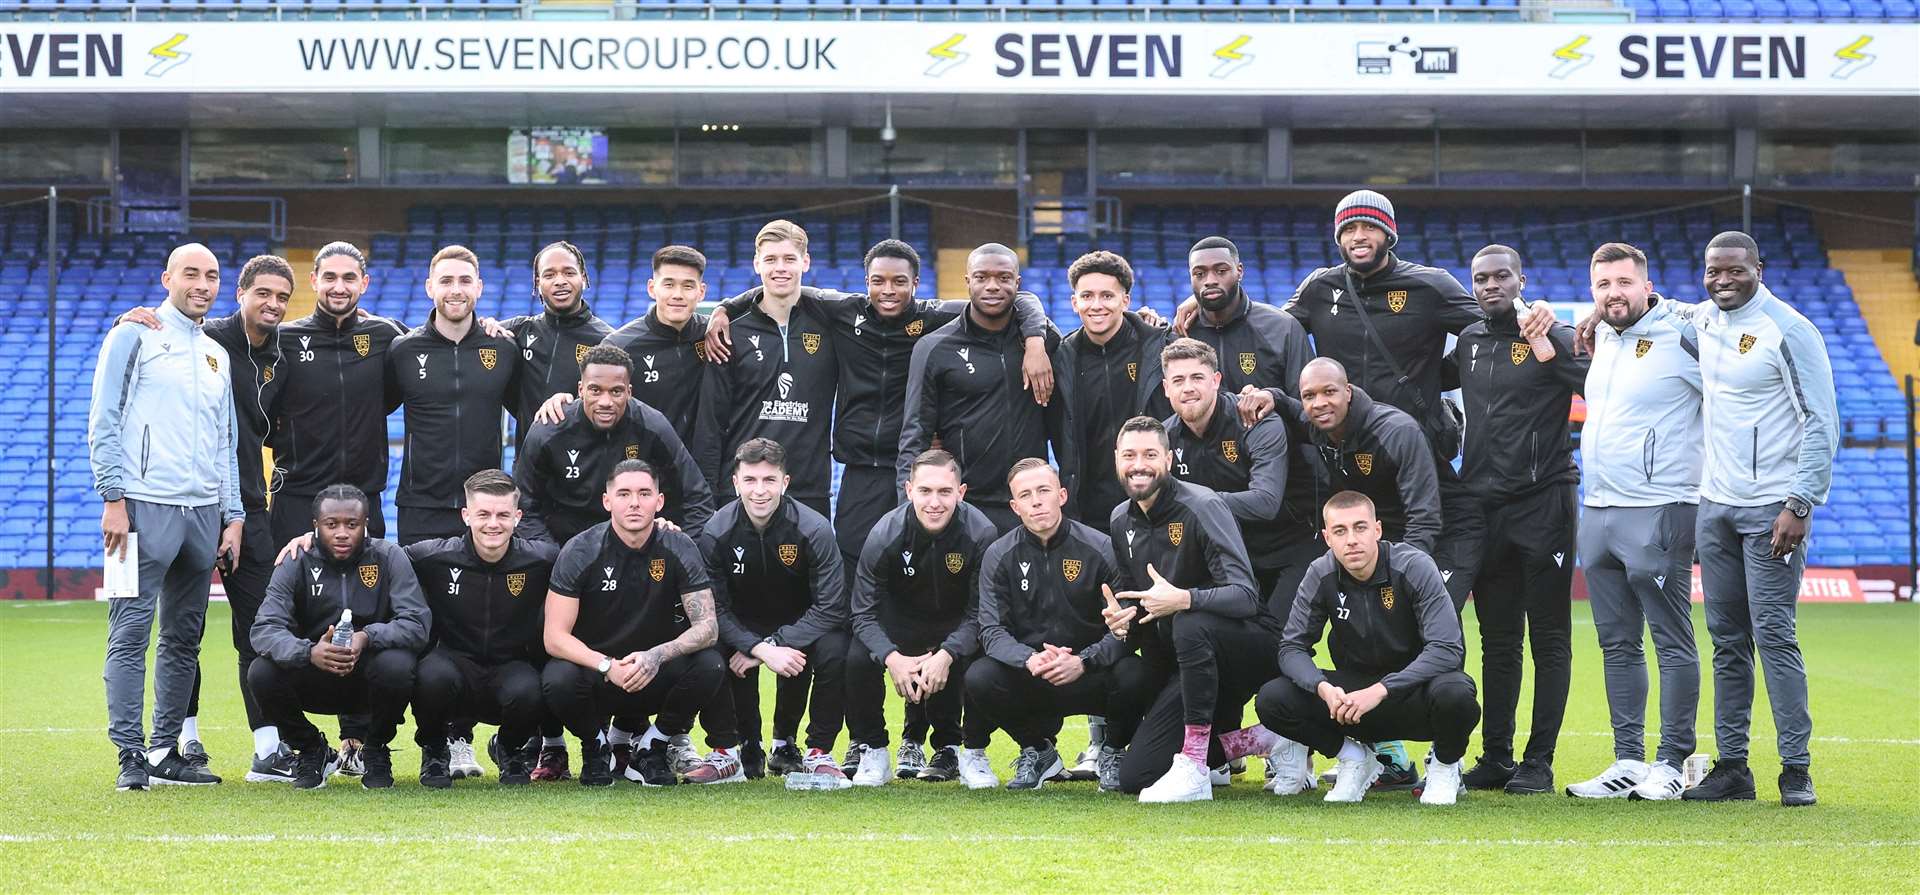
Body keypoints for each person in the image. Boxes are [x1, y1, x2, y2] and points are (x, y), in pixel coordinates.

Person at [705, 239, 1052, 779]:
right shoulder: (842, 311)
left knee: (948, 602)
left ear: (918, 285)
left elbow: (1010, 296)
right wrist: (725, 309)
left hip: (929, 481)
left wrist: (1034, 335)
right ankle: (859, 741)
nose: (888, 291)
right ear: (864, 282)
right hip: (864, 479)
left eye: (900, 282)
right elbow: (782, 281)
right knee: (858, 608)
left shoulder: (940, 318)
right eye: (878, 281)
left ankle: (934, 739)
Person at [1686, 231, 1836, 808]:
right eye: (1713, 271)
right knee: (1726, 641)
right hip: (1714, 507)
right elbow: (1652, 314)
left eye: (1734, 271)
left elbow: (1823, 421)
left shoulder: (1790, 329)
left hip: (1773, 509)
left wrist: (1800, 503)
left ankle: (1796, 768)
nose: (1723, 280)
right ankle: (1733, 768)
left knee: (1773, 636)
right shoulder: (1700, 321)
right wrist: (1598, 313)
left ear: (1759, 269)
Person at [89, 242, 246, 791]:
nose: (202, 284)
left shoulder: (216, 354)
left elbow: (226, 442)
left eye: (212, 276)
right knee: (129, 632)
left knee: (184, 637)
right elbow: (104, 417)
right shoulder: (132, 334)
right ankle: (129, 753)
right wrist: (112, 498)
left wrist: (234, 515)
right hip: (137, 508)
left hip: (202, 512)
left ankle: (163, 750)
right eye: (191, 274)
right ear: (167, 278)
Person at [1567, 242, 1706, 802]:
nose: (1613, 294)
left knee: (1671, 640)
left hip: (1662, 505)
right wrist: (1595, 317)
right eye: (1603, 285)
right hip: (1598, 508)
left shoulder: (1686, 331)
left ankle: (1673, 760)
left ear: (1648, 285)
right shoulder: (1601, 334)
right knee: (1616, 642)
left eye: (1624, 283)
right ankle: (1628, 758)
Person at [1448, 245, 1589, 795]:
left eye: (1500, 276)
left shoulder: (1552, 333)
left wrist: (1548, 342)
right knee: (1498, 639)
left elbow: (1593, 385)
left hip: (1544, 502)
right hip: (1484, 507)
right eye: (1480, 278)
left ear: (1521, 280)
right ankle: (1497, 756)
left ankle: (1540, 761)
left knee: (1549, 636)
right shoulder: (1468, 341)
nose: (1489, 286)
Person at [1255, 491, 1481, 805]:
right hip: (1353, 707)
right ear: (1327, 538)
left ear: (1377, 530)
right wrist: (1323, 688)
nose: (1351, 540)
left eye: (1360, 528)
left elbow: (1447, 649)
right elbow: (1291, 648)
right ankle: (1354, 758)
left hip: (1414, 695)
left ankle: (1445, 766)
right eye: (1340, 531)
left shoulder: (1413, 565)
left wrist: (1380, 690)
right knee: (1273, 698)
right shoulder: (1320, 572)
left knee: (1457, 693)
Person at [1104, 417, 1281, 803]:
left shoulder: (1202, 505)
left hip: (1247, 648)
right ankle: (1269, 739)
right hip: (1187, 663)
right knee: (1138, 776)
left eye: (1150, 454)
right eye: (1130, 455)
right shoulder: (1120, 519)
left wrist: (1185, 598)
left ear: (1168, 459)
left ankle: (1195, 764)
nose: (1139, 464)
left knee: (1189, 621)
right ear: (1116, 459)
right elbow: (1139, 605)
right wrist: (1123, 622)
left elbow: (1246, 596)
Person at [962, 459, 1155, 792]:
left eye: (1043, 491)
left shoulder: (1101, 548)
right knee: (980, 677)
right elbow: (991, 631)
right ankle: (1038, 751)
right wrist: (1029, 659)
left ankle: (1112, 750)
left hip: (1090, 673)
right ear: (1014, 506)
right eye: (1025, 495)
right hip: (1033, 675)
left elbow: (1127, 629)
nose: (1036, 501)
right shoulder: (999, 555)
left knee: (1135, 673)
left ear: (1061, 495)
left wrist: (1083, 661)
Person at [540, 460, 724, 787]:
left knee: (710, 664)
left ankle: (653, 746)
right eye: (623, 494)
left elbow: (708, 627)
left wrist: (656, 655)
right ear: (607, 501)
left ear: (660, 501)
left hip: (656, 673)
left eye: (644, 493)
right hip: (599, 676)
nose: (635, 503)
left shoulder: (679, 546)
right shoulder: (581, 550)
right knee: (557, 676)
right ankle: (596, 747)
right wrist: (607, 666)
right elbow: (554, 637)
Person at [248, 485, 430, 790]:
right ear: (315, 526)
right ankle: (311, 750)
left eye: (352, 525)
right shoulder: (296, 559)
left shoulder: (388, 557)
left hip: (369, 677)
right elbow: (264, 629)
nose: (342, 533)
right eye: (332, 525)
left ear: (366, 525)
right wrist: (308, 652)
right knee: (261, 672)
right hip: (315, 674)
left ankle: (374, 750)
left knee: (398, 665)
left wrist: (367, 637)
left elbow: (417, 623)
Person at [700, 439, 851, 784]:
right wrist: (759, 648)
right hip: (739, 625)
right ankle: (733, 749)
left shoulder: (813, 529)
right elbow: (714, 609)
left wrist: (774, 643)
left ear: (785, 482)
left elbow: (831, 607)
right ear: (735, 483)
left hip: (800, 623)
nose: (759, 491)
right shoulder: (715, 532)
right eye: (750, 480)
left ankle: (811, 751)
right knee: (709, 648)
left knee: (835, 648)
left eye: (769, 480)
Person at [847, 450, 999, 784]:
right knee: (856, 657)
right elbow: (863, 613)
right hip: (899, 626)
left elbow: (983, 613)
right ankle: (874, 750)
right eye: (925, 491)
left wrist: (947, 652)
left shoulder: (982, 534)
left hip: (956, 625)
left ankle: (962, 749)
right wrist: (891, 657)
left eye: (945, 492)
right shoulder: (884, 534)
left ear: (961, 493)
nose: (935, 502)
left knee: (985, 658)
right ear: (908, 489)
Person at [898, 243, 1070, 533]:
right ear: (968, 282)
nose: (992, 286)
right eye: (981, 277)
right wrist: (907, 509)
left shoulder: (1045, 342)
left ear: (1017, 283)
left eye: (1003, 278)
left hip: (1028, 504)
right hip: (966, 506)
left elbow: (1064, 428)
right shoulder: (934, 348)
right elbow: (914, 435)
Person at [1160, 337, 1322, 624]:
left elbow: (1266, 503)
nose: (1188, 388)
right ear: (1165, 388)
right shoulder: (1163, 439)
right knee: (1203, 633)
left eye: (1197, 377)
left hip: (1290, 545)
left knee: (1277, 643)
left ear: (1216, 380)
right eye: (1178, 380)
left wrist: (1197, 502)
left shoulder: (1256, 419)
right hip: (1232, 555)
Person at [267, 242, 407, 547]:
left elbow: (438, 344)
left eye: (349, 278)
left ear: (364, 283)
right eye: (330, 277)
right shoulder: (283, 339)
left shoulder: (386, 335)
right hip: (297, 496)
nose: (339, 287)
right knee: (290, 591)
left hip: (363, 496)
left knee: (363, 594)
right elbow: (260, 412)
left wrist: (487, 325)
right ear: (314, 280)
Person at [701, 221, 840, 516]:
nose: (780, 268)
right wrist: (708, 495)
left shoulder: (831, 328)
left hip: (808, 489)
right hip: (742, 490)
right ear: (756, 264)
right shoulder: (729, 334)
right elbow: (711, 423)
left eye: (789, 259)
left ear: (805, 261)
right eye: (770, 260)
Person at [515, 344, 713, 547]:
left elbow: (697, 497)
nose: (605, 401)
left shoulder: (652, 426)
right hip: (564, 548)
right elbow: (524, 504)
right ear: (580, 390)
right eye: (595, 390)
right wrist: (550, 554)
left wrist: (682, 551)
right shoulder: (548, 431)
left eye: (616, 391)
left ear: (629, 392)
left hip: (636, 549)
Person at [388, 245, 520, 545]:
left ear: (479, 287)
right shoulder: (403, 350)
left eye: (465, 281)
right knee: (416, 593)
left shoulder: (503, 348)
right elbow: (373, 407)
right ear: (429, 287)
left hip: (484, 507)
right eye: (446, 281)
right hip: (420, 507)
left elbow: (526, 410)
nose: (455, 290)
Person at [1295, 358, 1443, 559]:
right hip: (1376, 539)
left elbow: (1424, 519)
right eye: (1309, 396)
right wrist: (1270, 395)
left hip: (1443, 533)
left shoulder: (1398, 433)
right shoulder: (1315, 424)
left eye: (1329, 392)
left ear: (1348, 392)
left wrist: (1404, 571)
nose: (1319, 403)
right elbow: (1287, 409)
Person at [598, 245, 722, 485]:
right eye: (669, 284)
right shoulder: (619, 345)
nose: (678, 294)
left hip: (706, 477)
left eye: (688, 286)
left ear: (702, 291)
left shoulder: (715, 335)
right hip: (644, 479)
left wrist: (727, 309)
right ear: (652, 288)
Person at [505, 241, 614, 451]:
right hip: (529, 467)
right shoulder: (518, 331)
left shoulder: (607, 341)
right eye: (549, 275)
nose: (560, 281)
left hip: (586, 469)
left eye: (569, 272)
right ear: (537, 283)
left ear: (583, 277)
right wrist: (486, 325)